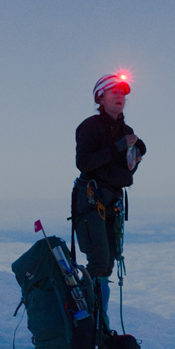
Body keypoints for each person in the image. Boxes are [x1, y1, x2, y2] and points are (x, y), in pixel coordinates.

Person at [72, 72, 146, 303]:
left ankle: (98, 326)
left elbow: (123, 171)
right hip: (91, 199)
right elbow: (84, 163)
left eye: (123, 93)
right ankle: (92, 322)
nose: (120, 96)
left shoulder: (126, 132)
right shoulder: (90, 126)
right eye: (114, 91)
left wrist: (134, 160)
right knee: (100, 261)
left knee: (109, 261)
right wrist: (119, 147)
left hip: (111, 201)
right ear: (100, 98)